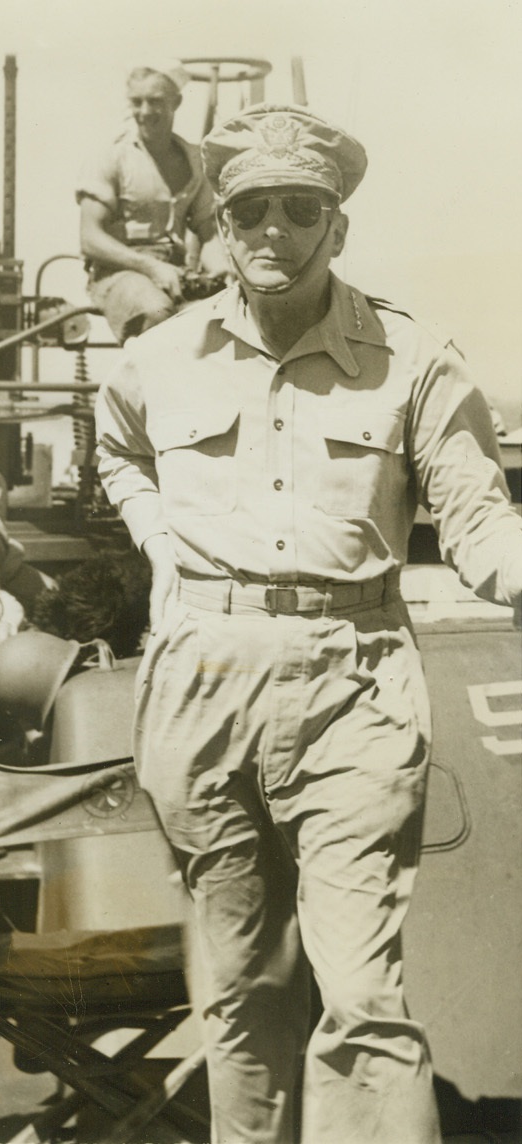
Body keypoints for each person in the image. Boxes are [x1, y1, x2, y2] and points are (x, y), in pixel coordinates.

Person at [95, 104, 522, 1143]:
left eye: (300, 208)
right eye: (249, 210)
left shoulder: (415, 360)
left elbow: (476, 521)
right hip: (199, 686)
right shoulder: (154, 358)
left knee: (358, 990)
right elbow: (116, 455)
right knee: (239, 986)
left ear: (338, 226)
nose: (273, 231)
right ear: (219, 227)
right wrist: (160, 543)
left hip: (350, 687)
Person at [77, 59, 227, 344]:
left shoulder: (195, 160)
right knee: (156, 312)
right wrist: (151, 267)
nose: (145, 112)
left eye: (156, 101)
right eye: (137, 102)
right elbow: (90, 239)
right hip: (119, 275)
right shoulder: (111, 157)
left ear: (176, 102)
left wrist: (223, 269)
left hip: (175, 274)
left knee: (225, 316)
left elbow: (207, 231)